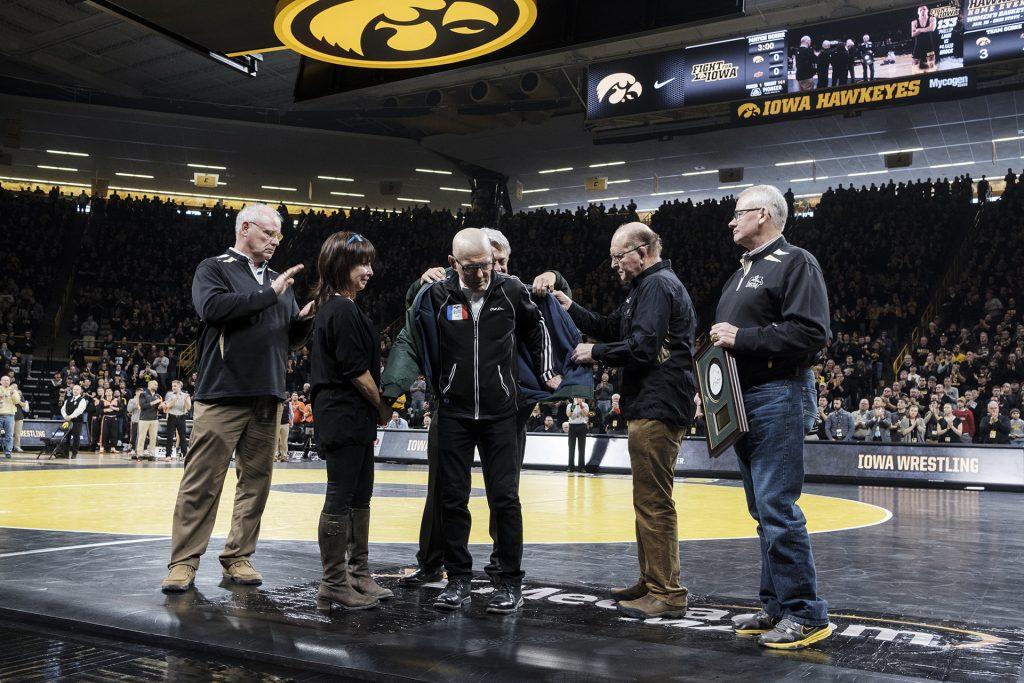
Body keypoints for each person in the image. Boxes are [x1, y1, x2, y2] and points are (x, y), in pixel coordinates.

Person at [383, 227, 586, 590]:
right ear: (457, 263)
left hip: (508, 407)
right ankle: (437, 565)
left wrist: (556, 277)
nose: (486, 272)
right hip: (455, 406)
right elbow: (414, 317)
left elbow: (555, 308)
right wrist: (420, 282)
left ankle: (502, 573)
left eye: (495, 263)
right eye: (474, 265)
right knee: (445, 492)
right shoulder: (443, 290)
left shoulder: (513, 289)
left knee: (503, 495)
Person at [162, 203, 314, 593]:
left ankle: (239, 557)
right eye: (268, 234)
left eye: (279, 235)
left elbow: (285, 336)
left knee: (257, 482)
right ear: (245, 228)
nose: (275, 241)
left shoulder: (279, 281)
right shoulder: (214, 268)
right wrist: (269, 293)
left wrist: (303, 321)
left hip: (268, 393)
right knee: (202, 481)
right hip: (222, 393)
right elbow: (212, 309)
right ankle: (183, 562)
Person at [554, 221, 697, 619]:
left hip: (658, 405)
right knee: (647, 499)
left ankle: (667, 592)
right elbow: (610, 325)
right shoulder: (645, 288)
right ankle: (652, 580)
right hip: (650, 403)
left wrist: (594, 352)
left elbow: (644, 347)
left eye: (620, 256)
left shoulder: (656, 286)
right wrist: (571, 307)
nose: (614, 264)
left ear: (644, 251)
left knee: (654, 502)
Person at [710, 184, 832, 649]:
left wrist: (742, 338)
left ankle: (806, 612)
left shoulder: (796, 261)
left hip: (778, 393)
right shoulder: (740, 272)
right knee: (763, 510)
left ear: (763, 214)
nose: (731, 220)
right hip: (743, 398)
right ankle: (778, 606)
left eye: (738, 213)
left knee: (777, 508)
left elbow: (811, 332)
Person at [308, 231, 393, 612]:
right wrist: (384, 406)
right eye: (362, 263)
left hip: (352, 416)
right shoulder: (340, 309)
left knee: (360, 494)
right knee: (341, 494)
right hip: (343, 413)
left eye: (371, 262)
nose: (369, 271)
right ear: (341, 266)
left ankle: (358, 575)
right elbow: (357, 371)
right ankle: (333, 581)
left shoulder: (342, 306)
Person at [163, 379, 192, 460]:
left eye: (175, 386)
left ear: (180, 386)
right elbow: (168, 406)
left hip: (181, 417)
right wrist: (176, 398)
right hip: (172, 416)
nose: (173, 387)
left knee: (183, 437)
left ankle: (185, 455)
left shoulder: (186, 395)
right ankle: (168, 455)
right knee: (170, 437)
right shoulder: (169, 394)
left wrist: (185, 400)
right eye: (172, 386)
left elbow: (188, 408)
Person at [136, 380, 163, 460]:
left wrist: (160, 407)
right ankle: (140, 455)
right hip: (144, 419)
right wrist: (154, 402)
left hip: (154, 419)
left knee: (153, 438)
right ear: (149, 384)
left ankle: (152, 455)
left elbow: (159, 409)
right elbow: (143, 406)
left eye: (157, 385)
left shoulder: (158, 395)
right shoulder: (143, 394)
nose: (156, 386)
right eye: (155, 384)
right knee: (141, 438)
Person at [61, 384, 89, 459]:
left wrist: (70, 416)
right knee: (66, 437)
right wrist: (65, 416)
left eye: (77, 389)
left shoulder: (82, 400)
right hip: (67, 421)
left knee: (76, 437)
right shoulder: (68, 399)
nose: (75, 391)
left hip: (77, 421)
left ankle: (74, 453)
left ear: (80, 391)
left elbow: (79, 410)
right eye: (74, 389)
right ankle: (65, 453)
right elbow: (63, 409)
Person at [566, 398, 590, 472]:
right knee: (571, 447)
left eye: (579, 397)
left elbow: (585, 414)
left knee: (582, 447)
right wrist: (573, 405)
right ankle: (570, 467)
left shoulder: (585, 405)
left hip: (582, 426)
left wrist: (580, 405)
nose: (577, 399)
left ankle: (581, 467)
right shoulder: (570, 405)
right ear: (573, 398)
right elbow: (569, 414)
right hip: (572, 426)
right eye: (576, 397)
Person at [911, 5, 937, 71]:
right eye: (920, 10)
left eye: (924, 9)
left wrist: (919, 30)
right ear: (918, 12)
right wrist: (926, 29)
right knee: (915, 65)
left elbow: (932, 28)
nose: (922, 11)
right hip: (918, 46)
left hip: (929, 44)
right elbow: (913, 34)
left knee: (931, 65)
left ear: (927, 11)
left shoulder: (932, 19)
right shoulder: (914, 22)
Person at [0, 376, 19, 459]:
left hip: (10, 415)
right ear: (1, 381)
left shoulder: (13, 391)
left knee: (9, 435)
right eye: (4, 380)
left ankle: (8, 452)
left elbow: (17, 401)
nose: (6, 381)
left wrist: (12, 395)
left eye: (8, 380)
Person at [12, 385, 28, 453]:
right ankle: (9, 447)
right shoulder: (8, 394)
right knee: (10, 433)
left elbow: (24, 405)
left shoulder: (20, 395)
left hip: (19, 416)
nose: (14, 388)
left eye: (16, 387)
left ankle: (17, 446)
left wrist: (18, 400)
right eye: (13, 387)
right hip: (10, 415)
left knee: (18, 433)